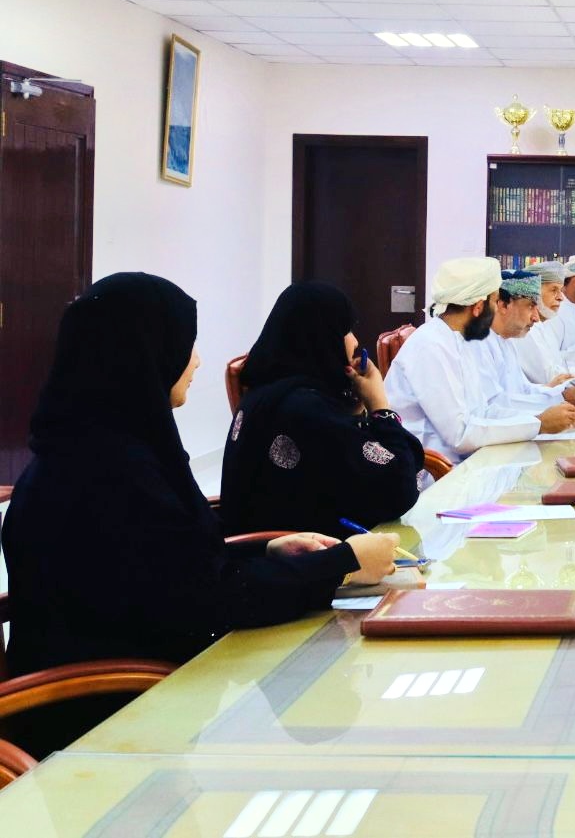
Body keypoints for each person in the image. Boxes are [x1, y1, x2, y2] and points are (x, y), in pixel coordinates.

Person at [1, 273, 398, 676]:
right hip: (121, 697)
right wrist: (343, 564)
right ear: (143, 354)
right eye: (185, 343)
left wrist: (266, 551)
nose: (196, 360)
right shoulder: (112, 476)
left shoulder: (94, 449)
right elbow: (213, 601)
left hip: (148, 676)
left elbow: (171, 566)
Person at [220, 282, 424, 538]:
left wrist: (356, 410)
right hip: (308, 558)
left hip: (277, 553)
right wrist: (380, 405)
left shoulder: (268, 393)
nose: (354, 341)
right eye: (345, 330)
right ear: (320, 337)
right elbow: (399, 489)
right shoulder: (306, 411)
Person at [386, 257, 571, 461]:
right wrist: (538, 424)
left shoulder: (461, 340)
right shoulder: (431, 345)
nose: (498, 310)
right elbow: (460, 435)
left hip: (469, 458)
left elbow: (484, 411)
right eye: (494, 302)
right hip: (437, 470)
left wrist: (540, 419)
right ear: (478, 307)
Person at [470, 272, 575, 414]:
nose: (536, 318)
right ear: (503, 305)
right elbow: (495, 403)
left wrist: (558, 391)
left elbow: (524, 389)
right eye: (530, 306)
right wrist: (559, 398)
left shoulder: (506, 340)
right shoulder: (479, 343)